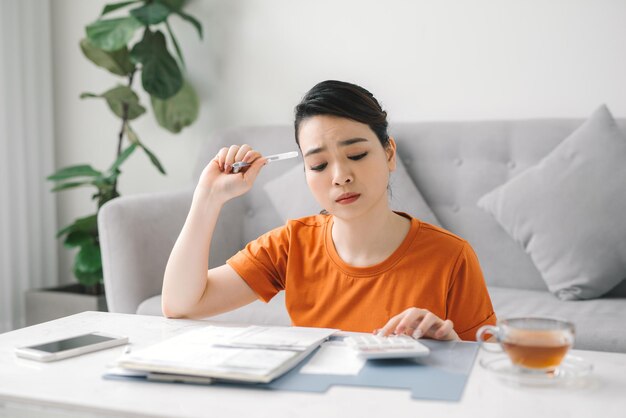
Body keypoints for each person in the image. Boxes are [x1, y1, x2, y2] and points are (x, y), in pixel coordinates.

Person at [162, 80, 496, 341]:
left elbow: (486, 374)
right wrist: (207, 198)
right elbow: (180, 305)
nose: (340, 176)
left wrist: (452, 346)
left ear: (389, 154)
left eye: (357, 155)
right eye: (319, 164)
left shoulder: (452, 258)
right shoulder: (291, 246)